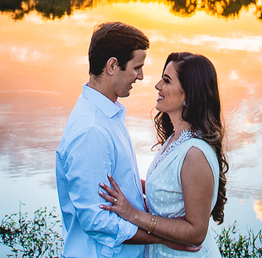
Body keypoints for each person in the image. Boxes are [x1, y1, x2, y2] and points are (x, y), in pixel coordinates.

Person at [56, 22, 194, 257]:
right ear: (112, 66)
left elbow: (115, 182)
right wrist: (166, 237)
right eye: (136, 67)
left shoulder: (108, 114)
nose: (141, 76)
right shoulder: (92, 130)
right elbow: (96, 220)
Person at [99, 52, 228, 258]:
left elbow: (196, 232)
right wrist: (120, 180)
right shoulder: (176, 139)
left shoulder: (195, 153)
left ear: (188, 94)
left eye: (166, 80)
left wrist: (134, 215)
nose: (157, 85)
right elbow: (169, 191)